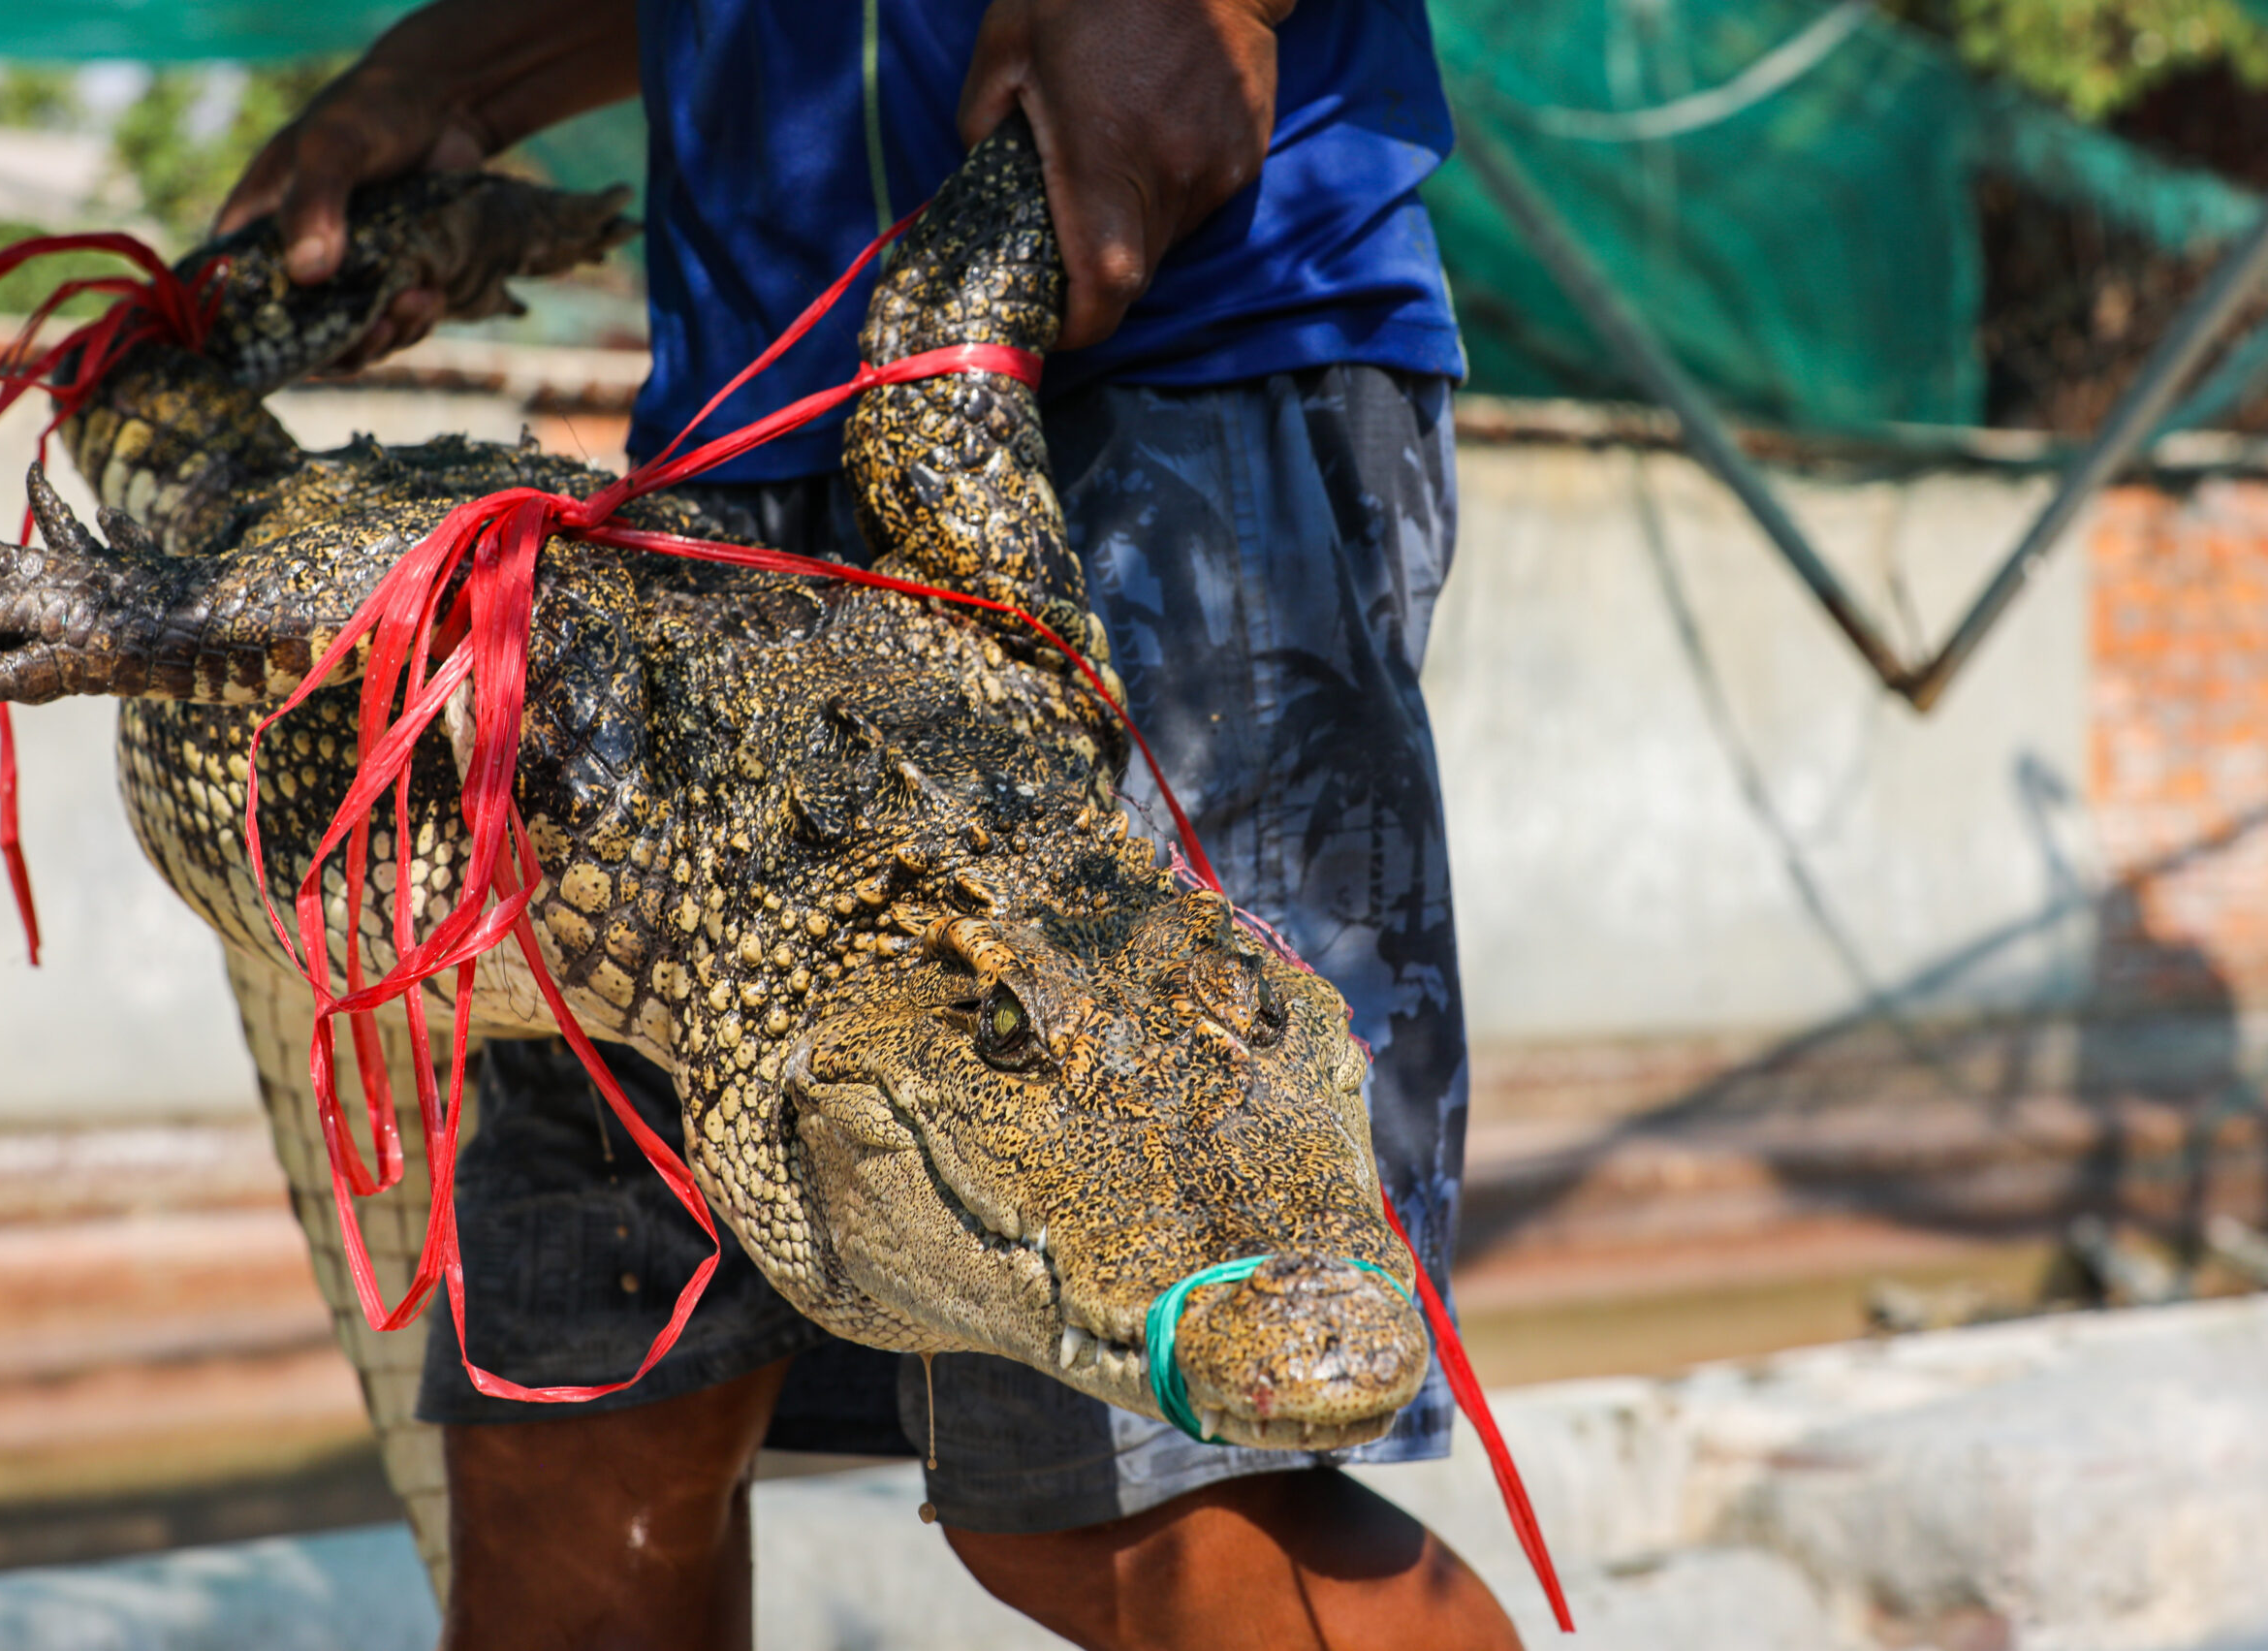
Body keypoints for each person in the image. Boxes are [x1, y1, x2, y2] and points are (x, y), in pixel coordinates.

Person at [221, 3, 1518, 1646]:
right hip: (721, 472)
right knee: (585, 1430)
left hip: (1154, 375)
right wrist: (449, 79)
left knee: (1155, 1480)